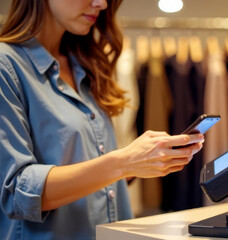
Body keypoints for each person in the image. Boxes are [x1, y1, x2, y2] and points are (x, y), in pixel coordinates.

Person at [0, 0, 204, 239]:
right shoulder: (7, 67)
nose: (102, 3)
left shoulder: (86, 64)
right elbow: (16, 193)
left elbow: (86, 163)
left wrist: (140, 162)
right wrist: (122, 162)